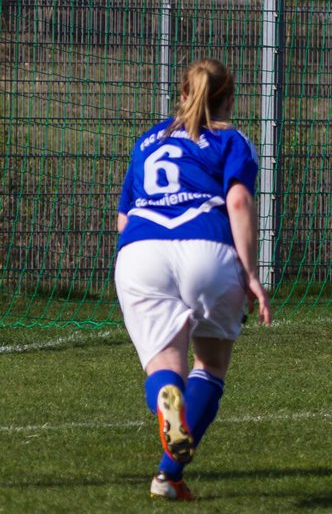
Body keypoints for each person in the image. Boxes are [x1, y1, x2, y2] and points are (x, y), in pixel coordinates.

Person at [114, 57, 271, 501]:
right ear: (229, 100)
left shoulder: (148, 140)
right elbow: (238, 202)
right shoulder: (232, 139)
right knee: (211, 368)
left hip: (142, 251)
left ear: (182, 95)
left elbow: (124, 220)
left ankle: (167, 397)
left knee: (167, 369)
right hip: (207, 246)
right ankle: (167, 476)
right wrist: (252, 274)